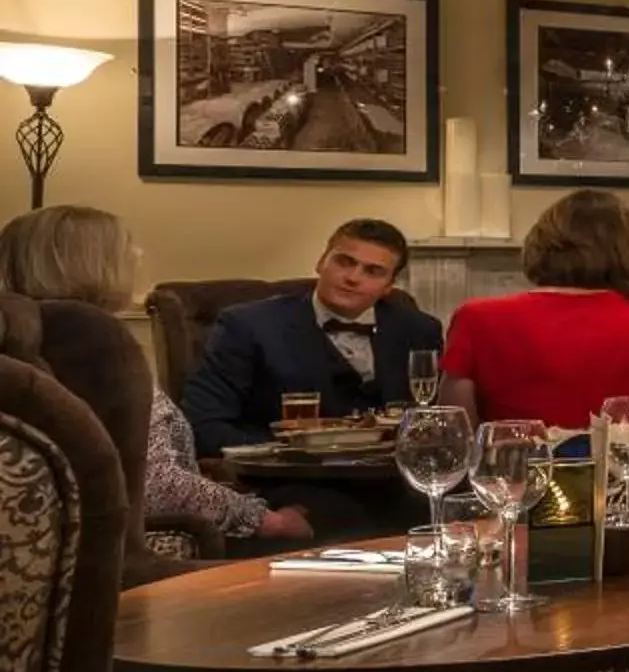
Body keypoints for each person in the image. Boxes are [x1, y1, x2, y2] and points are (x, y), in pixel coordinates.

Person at [0, 205, 311, 545]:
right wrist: (268, 521)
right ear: (88, 264)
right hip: (141, 552)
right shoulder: (96, 345)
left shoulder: (27, 332)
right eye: (125, 247)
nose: (138, 254)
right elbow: (155, 484)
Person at [182, 216, 441, 453]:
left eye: (372, 271)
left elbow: (437, 420)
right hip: (293, 477)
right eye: (345, 262)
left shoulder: (420, 330)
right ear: (320, 262)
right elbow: (203, 424)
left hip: (394, 478)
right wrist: (287, 453)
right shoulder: (247, 325)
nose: (352, 278)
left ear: (388, 287)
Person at [442, 189, 629, 429]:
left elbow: (456, 434)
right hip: (622, 468)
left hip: (516, 467)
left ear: (541, 244)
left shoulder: (477, 318)